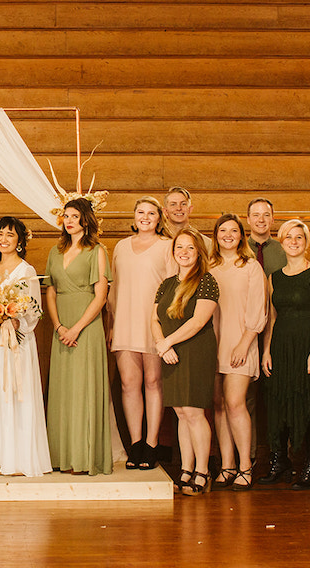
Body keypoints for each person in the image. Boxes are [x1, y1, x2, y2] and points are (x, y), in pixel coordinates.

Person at [260, 219, 310, 491]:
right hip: (282, 346)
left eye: (299, 238)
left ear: (305, 242)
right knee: (281, 402)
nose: (293, 242)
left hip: (309, 345)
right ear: (282, 243)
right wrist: (267, 349)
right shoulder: (274, 278)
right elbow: (272, 317)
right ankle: (279, 461)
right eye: (288, 237)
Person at [45, 198, 114, 475]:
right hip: (61, 326)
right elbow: (50, 291)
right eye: (66, 216)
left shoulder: (97, 251)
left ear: (86, 219)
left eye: (74, 216)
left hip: (87, 327)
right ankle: (61, 455)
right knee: (63, 391)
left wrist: (76, 328)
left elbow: (101, 297)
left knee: (84, 390)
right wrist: (60, 326)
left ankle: (85, 458)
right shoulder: (54, 250)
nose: (69, 220)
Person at [0, 217, 51, 477]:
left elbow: (34, 310)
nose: (3, 239)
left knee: (18, 391)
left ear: (20, 241)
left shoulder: (26, 270)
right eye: (0, 234)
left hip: (18, 342)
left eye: (10, 234)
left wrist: (15, 319)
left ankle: (20, 457)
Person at [151, 228, 218, 496]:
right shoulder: (166, 284)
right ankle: (186, 468)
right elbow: (154, 319)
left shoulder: (206, 281)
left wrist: (168, 342)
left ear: (199, 252)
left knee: (194, 412)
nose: (184, 252)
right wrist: (161, 344)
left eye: (190, 248)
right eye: (180, 247)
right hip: (169, 352)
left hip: (195, 349)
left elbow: (198, 321)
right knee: (180, 412)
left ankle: (203, 470)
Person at [110, 195, 175, 470]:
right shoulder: (121, 247)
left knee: (153, 382)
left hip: (154, 323)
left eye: (151, 213)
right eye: (140, 212)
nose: (145, 217)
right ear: (134, 217)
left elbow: (174, 287)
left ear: (159, 218)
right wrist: (112, 324)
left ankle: (151, 443)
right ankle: (135, 444)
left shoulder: (167, 246)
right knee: (129, 383)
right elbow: (112, 289)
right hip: (124, 320)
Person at [208, 213, 266, 491]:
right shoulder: (208, 265)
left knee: (234, 402)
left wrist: (244, 343)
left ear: (242, 236)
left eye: (234, 231)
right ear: (216, 234)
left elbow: (259, 311)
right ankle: (227, 465)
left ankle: (245, 466)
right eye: (223, 230)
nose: (228, 235)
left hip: (240, 343)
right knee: (218, 405)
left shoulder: (251, 266)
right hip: (212, 343)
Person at [247, 197, 287, 277]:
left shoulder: (285, 251)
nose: (261, 220)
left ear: (272, 219)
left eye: (266, 215)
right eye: (256, 215)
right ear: (248, 219)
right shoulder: (239, 250)